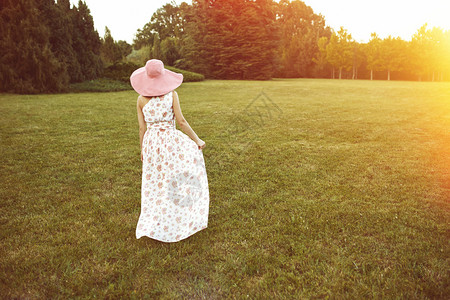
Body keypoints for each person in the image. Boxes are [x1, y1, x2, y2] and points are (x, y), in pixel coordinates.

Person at [131, 59, 210, 242]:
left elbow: (142, 129)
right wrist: (197, 140)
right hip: (170, 143)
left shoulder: (141, 100)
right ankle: (177, 219)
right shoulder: (172, 95)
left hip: (151, 144)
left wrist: (143, 148)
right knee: (173, 179)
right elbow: (181, 122)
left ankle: (156, 220)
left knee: (155, 182)